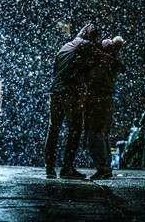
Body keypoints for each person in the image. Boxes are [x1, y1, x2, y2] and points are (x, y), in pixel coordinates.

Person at [43, 24, 114, 179]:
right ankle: (67, 168)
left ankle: (49, 168)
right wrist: (114, 59)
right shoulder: (85, 45)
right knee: (75, 130)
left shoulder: (65, 46)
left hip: (55, 92)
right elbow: (107, 61)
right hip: (70, 92)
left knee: (53, 129)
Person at [84, 36, 125, 180]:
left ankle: (103, 166)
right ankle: (105, 165)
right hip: (106, 100)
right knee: (103, 133)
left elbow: (91, 79)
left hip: (98, 100)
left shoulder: (102, 64)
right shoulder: (112, 63)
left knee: (96, 133)